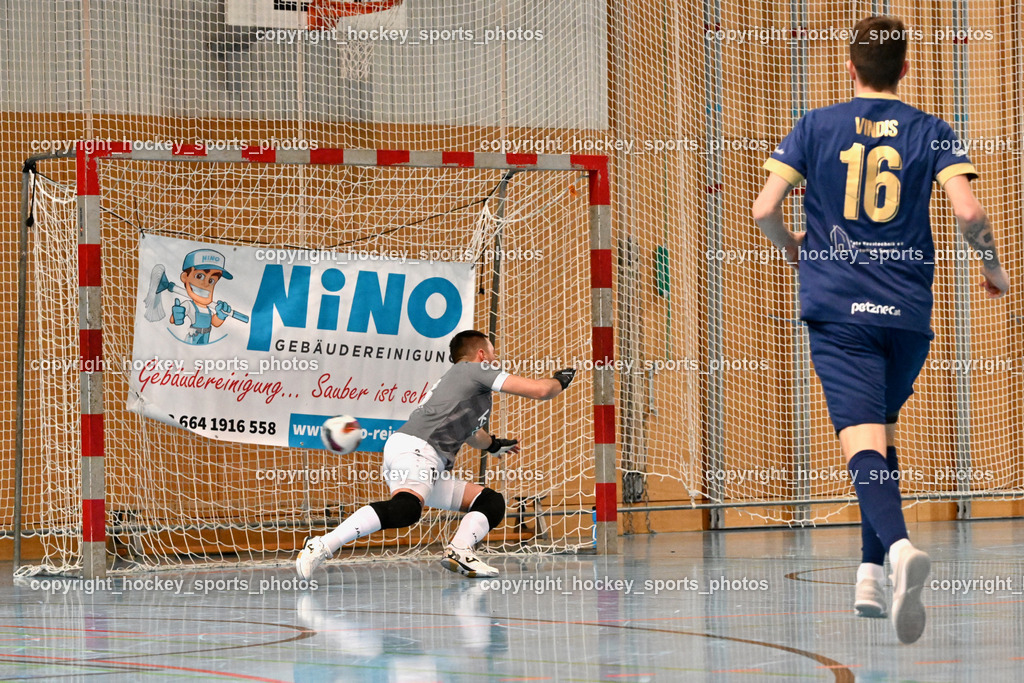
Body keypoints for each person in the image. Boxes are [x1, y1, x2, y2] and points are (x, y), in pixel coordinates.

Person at [752, 15, 1009, 644]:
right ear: (906, 69)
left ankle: (896, 550)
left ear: (848, 66)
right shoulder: (933, 130)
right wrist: (994, 268)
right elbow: (969, 211)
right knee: (880, 433)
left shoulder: (816, 124)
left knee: (860, 442)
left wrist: (792, 248)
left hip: (839, 308)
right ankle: (868, 573)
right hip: (908, 315)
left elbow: (763, 208)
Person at [296, 330, 576, 579]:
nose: (496, 356)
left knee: (490, 502)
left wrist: (493, 444)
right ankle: (322, 544)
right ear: (481, 354)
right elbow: (540, 391)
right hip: (418, 450)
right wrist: (559, 380)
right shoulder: (472, 370)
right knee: (406, 509)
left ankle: (460, 551)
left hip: (421, 456)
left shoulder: (465, 387)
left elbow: (473, 434)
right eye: (493, 351)